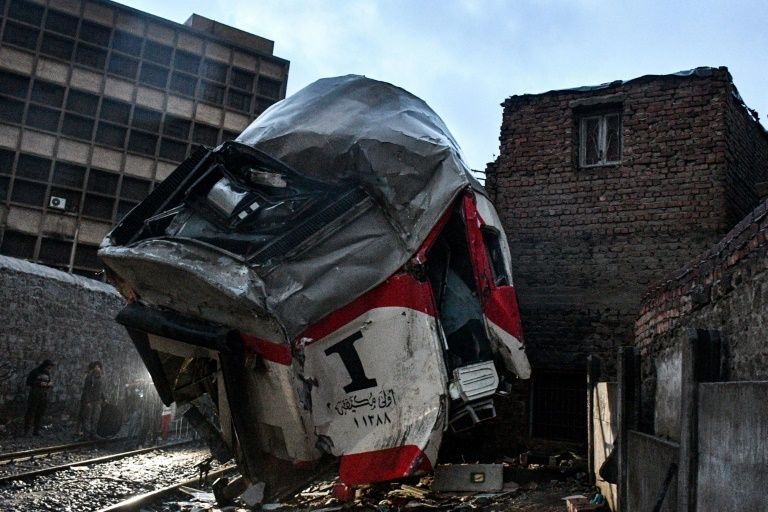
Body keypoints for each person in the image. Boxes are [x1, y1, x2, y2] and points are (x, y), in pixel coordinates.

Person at [24, 359, 54, 436]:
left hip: (43, 395)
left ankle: (36, 431)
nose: (49, 369)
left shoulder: (47, 373)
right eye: (48, 367)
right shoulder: (35, 372)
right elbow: (28, 382)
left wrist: (49, 384)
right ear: (45, 365)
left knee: (40, 413)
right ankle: (26, 431)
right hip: (35, 394)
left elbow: (48, 381)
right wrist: (39, 383)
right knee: (31, 412)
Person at [78, 361, 103, 438]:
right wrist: (87, 401)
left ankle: (93, 434)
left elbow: (100, 390)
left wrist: (103, 399)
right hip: (90, 401)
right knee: (87, 418)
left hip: (97, 401)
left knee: (95, 418)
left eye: (99, 367)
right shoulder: (89, 377)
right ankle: (86, 435)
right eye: (96, 367)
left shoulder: (100, 378)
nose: (97, 368)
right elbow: (86, 390)